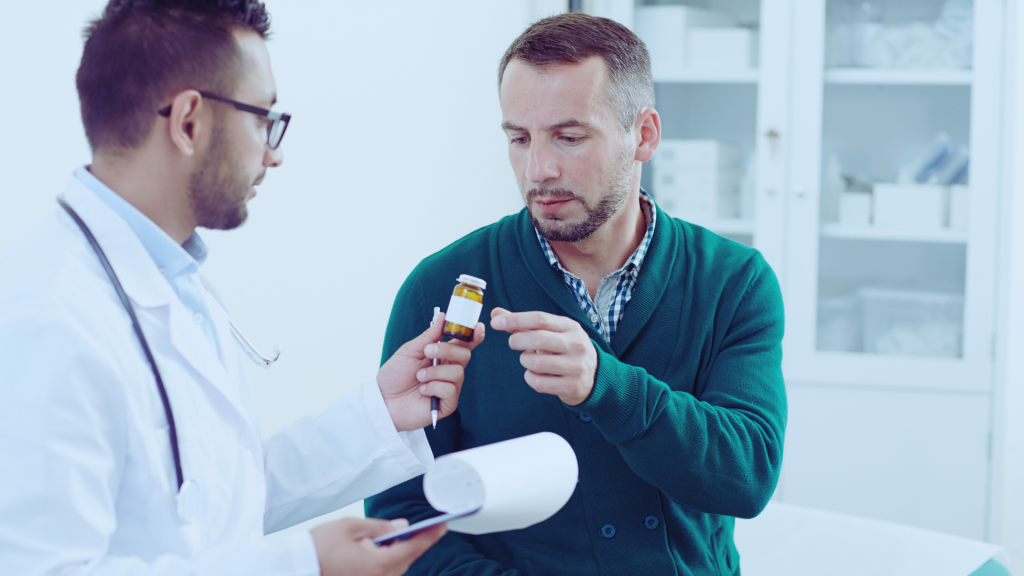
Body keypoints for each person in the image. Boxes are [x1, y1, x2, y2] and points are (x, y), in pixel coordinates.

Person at [0, 1, 485, 575]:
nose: (274, 154)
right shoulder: (49, 318)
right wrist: (301, 566)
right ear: (188, 122)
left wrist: (380, 414)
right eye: (263, 119)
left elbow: (210, 501)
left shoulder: (173, 279)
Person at [366, 12, 786, 575]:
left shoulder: (733, 282)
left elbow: (749, 477)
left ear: (644, 134)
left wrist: (605, 386)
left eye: (569, 137)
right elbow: (401, 518)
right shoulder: (444, 288)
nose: (538, 169)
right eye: (519, 138)